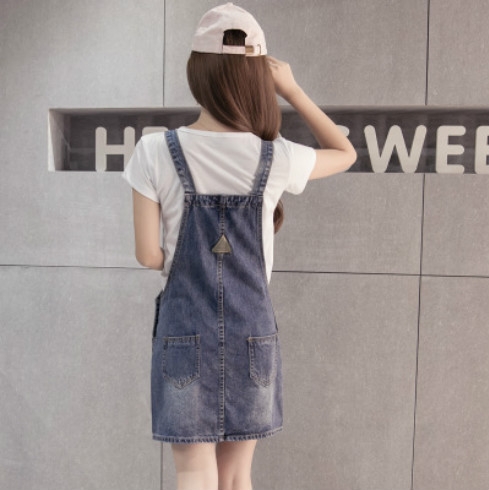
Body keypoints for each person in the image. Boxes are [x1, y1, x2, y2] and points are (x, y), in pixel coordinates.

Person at [121, 3, 356, 490]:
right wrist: (292, 89)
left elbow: (147, 255)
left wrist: (181, 262)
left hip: (184, 335)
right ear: (257, 76)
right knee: (235, 476)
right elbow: (345, 152)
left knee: (194, 472)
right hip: (253, 336)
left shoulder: (154, 151)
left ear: (197, 71)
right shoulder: (276, 157)